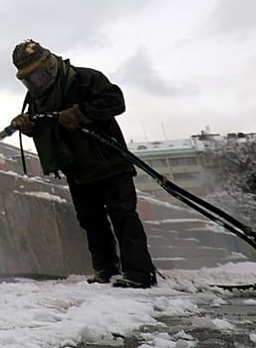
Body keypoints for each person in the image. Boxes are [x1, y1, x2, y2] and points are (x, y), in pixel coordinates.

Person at [8, 39, 157, 288]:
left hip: (109, 162)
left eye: (36, 75)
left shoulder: (86, 79)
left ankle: (139, 273)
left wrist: (80, 113)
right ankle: (105, 269)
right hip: (77, 169)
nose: (34, 83)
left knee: (123, 216)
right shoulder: (36, 99)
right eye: (28, 78)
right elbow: (48, 128)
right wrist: (29, 126)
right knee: (90, 220)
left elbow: (116, 102)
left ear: (48, 64)